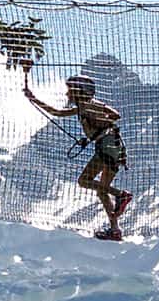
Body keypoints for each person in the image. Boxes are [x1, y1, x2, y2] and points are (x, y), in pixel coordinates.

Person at [24, 75, 132, 241]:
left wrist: (100, 130)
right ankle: (115, 230)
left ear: (79, 91)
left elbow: (114, 115)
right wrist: (94, 133)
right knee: (102, 190)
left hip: (107, 146)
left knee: (84, 180)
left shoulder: (87, 105)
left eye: (70, 91)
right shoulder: (84, 107)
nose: (67, 95)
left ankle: (120, 195)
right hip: (115, 147)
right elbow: (58, 113)